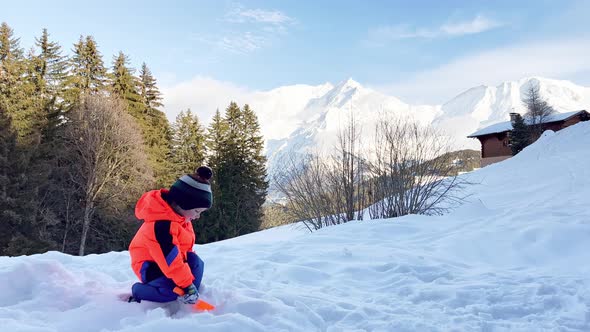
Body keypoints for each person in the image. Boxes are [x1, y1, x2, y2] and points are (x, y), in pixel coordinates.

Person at [127, 166, 213, 304]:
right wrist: (186, 285)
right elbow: (170, 260)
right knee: (171, 292)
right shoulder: (161, 227)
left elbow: (184, 250)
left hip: (170, 262)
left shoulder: (182, 219)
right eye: (197, 211)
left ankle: (185, 289)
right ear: (184, 204)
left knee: (196, 263)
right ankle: (139, 291)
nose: (198, 217)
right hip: (151, 267)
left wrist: (188, 283)